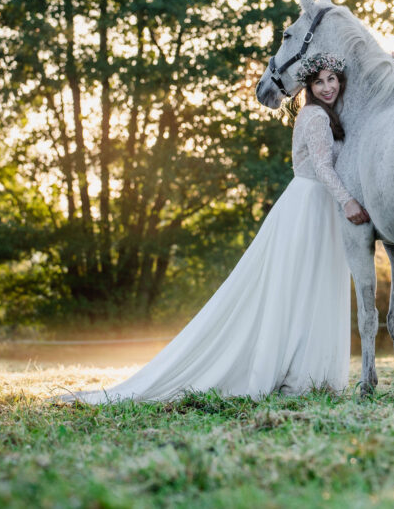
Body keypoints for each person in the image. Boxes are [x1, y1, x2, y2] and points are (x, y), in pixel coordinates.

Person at [61, 53, 369, 403]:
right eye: (319, 82)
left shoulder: (330, 116)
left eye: (332, 79)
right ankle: (296, 374)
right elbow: (325, 168)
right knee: (298, 289)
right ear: (308, 88)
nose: (327, 87)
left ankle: (312, 374)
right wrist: (348, 202)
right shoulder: (314, 116)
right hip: (310, 207)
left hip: (318, 208)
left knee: (314, 288)